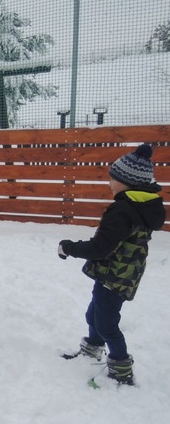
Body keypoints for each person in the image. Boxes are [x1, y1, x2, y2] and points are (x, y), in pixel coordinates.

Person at [58, 143, 165, 385]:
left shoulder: (123, 210)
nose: (110, 183)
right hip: (120, 272)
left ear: (127, 182)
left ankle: (121, 369)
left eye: (113, 179)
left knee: (106, 323)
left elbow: (100, 247)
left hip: (115, 275)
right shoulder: (141, 206)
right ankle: (92, 350)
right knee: (94, 313)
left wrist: (69, 247)